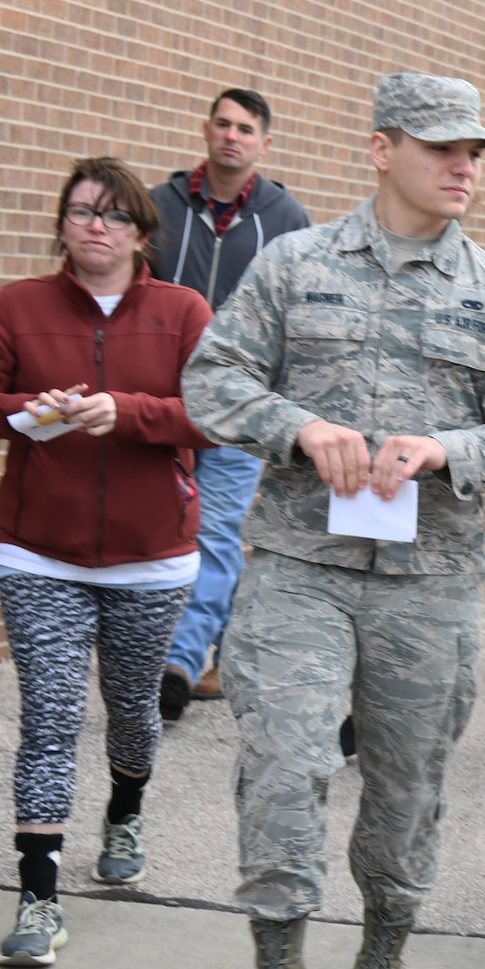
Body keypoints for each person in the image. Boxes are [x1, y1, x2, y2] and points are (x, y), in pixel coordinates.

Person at [181, 73, 485, 969]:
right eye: (442, 146)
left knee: (406, 787)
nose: (464, 166)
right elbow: (211, 378)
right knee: (282, 765)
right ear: (379, 147)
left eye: (475, 151)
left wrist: (446, 449)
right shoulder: (293, 263)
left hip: (425, 580)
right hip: (300, 567)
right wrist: (297, 425)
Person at [0, 158, 214, 966]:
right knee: (51, 719)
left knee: (131, 710)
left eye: (114, 215)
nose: (95, 226)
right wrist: (25, 411)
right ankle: (38, 895)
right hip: (39, 552)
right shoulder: (19, 306)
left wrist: (123, 411)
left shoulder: (182, 311)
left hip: (151, 555)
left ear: (140, 232)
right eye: (80, 211)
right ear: (61, 223)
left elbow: (219, 414)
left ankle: (126, 805)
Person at [152, 88, 314, 720]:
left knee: (215, 531)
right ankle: (228, 644)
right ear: (205, 130)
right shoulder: (162, 207)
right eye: (222, 124)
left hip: (242, 406)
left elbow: (295, 316)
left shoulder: (286, 219)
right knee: (175, 534)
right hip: (160, 404)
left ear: (263, 144)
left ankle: (179, 663)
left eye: (245, 129)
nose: (231, 136)